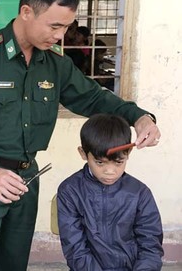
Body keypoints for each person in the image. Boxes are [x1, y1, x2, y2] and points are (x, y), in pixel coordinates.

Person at [0, 0, 161, 271]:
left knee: (14, 263)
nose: (60, 36)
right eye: (55, 26)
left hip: (27, 176)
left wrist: (141, 117)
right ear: (27, 12)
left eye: (66, 27)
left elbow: (94, 98)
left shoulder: (55, 64)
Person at [57, 113, 163, 270]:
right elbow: (75, 249)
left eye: (119, 162)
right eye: (100, 162)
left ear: (128, 154)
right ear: (83, 154)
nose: (110, 171)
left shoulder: (140, 193)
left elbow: (150, 245)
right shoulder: (70, 191)